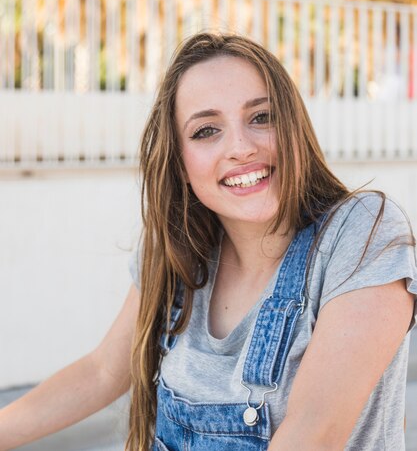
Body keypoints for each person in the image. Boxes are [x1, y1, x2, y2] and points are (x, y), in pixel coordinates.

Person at [1, 32, 416, 451]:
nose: (240, 147)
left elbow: (314, 432)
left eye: (261, 117)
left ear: (294, 128)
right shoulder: (177, 250)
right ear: (180, 163)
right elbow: (102, 372)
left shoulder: (362, 231)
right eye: (206, 131)